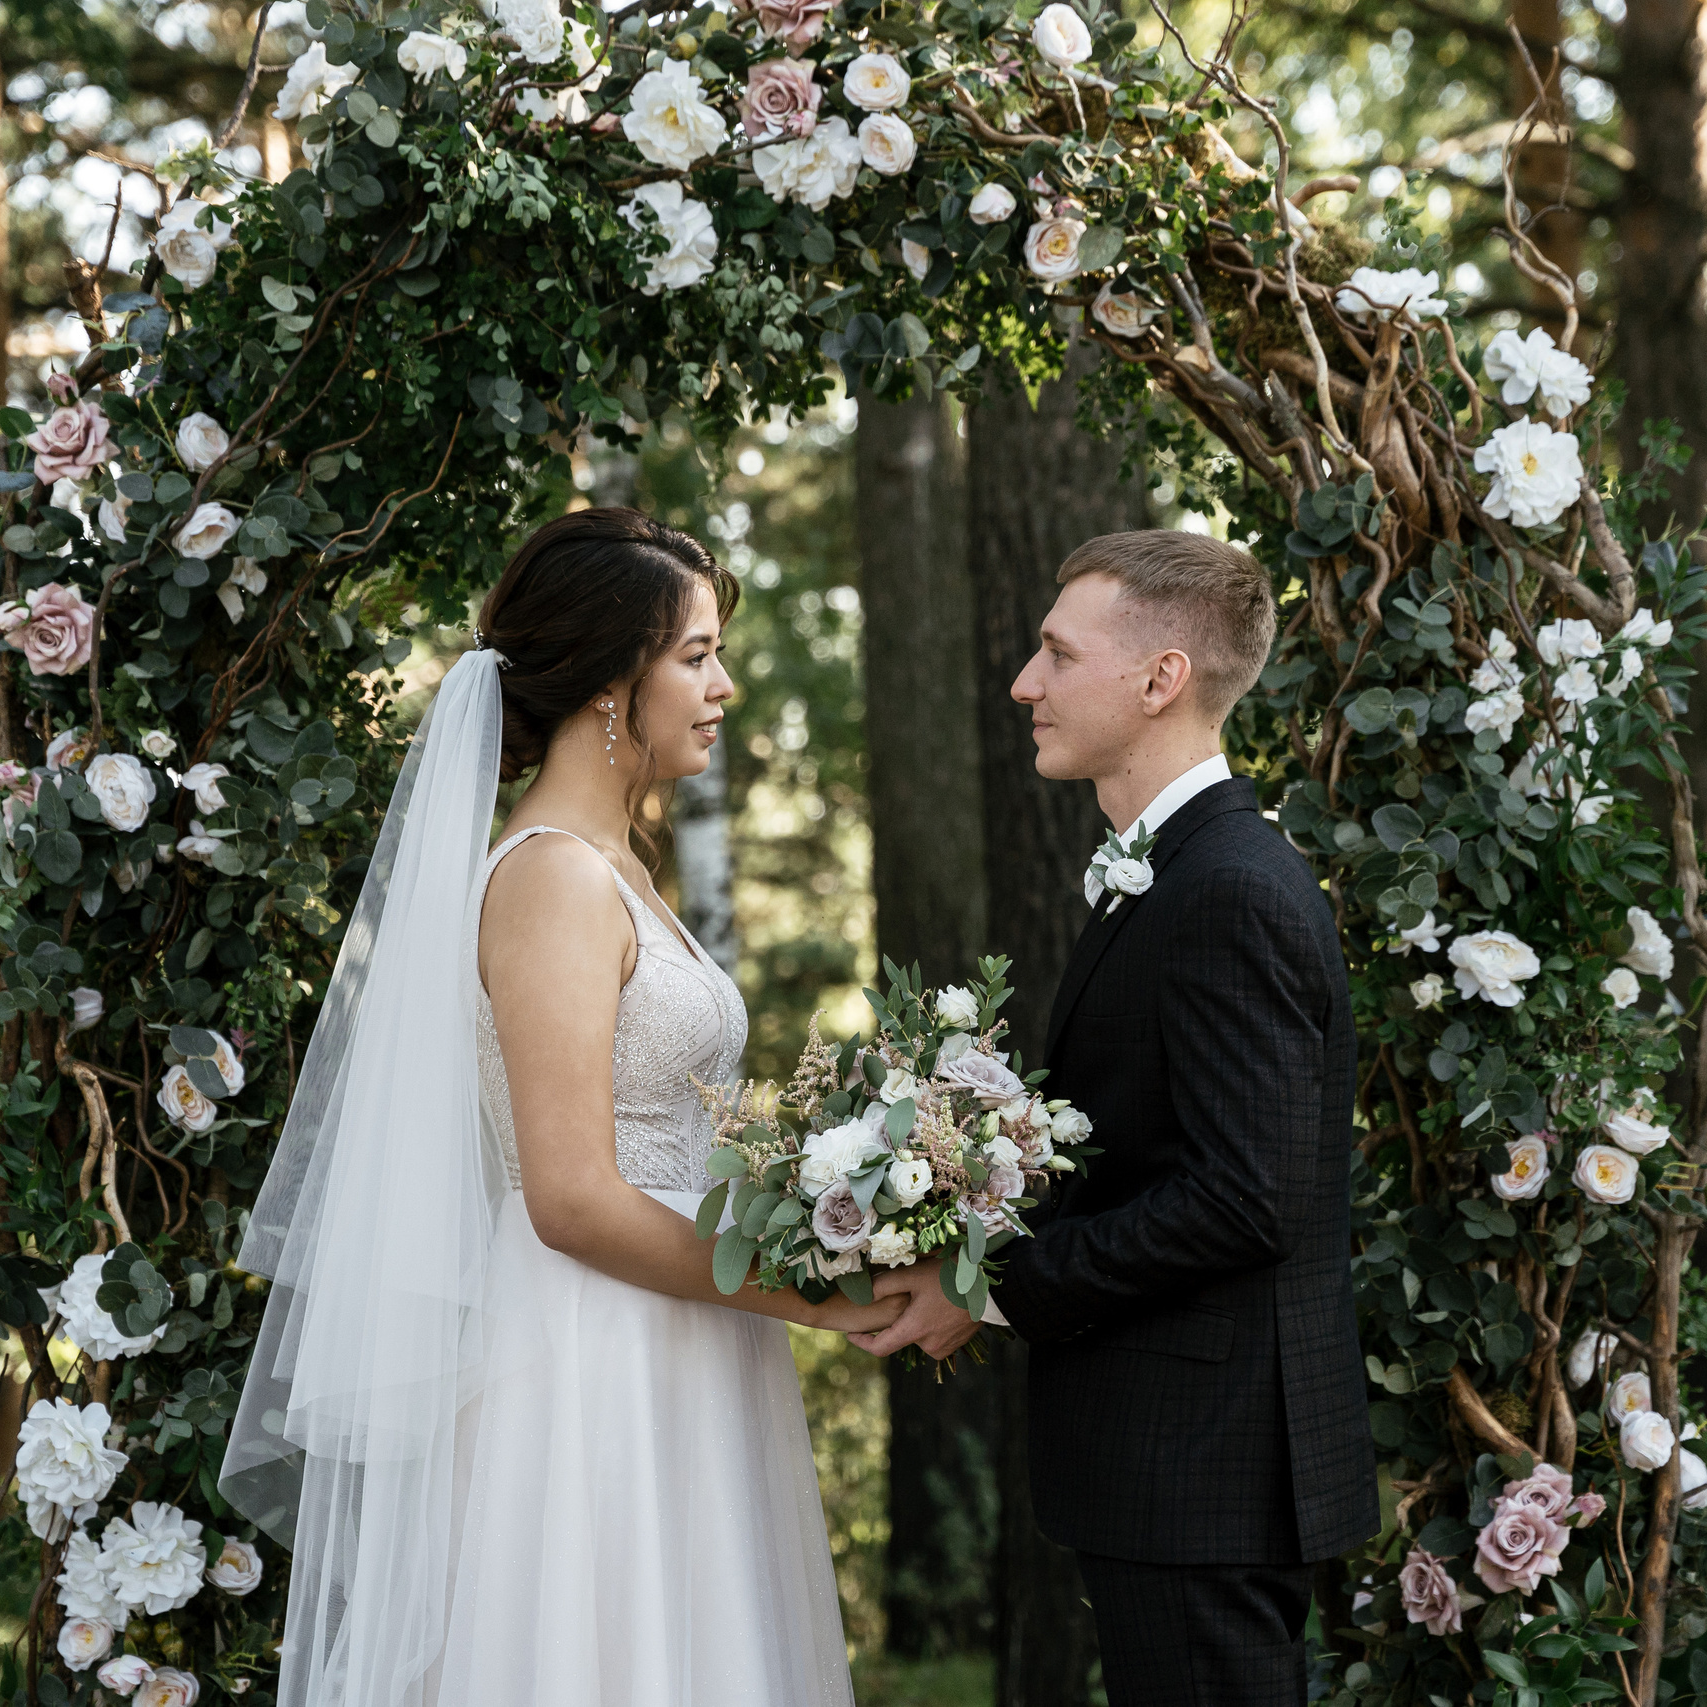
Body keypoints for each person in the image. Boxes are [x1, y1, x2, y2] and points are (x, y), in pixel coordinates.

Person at [223, 508, 893, 1707]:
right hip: (594, 1350)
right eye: (695, 655)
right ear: (605, 684)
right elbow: (572, 1197)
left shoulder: (619, 867)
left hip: (682, 1322)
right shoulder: (550, 880)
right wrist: (822, 1297)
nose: (723, 684)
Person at [853, 529, 1380, 1707]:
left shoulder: (1229, 889)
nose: (1023, 684)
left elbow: (1242, 1202)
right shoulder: (1177, 873)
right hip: (1176, 1462)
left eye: (1054, 653)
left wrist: (991, 1285)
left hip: (1207, 1465)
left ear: (1160, 680)